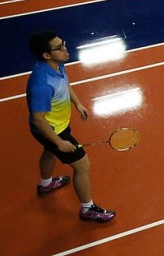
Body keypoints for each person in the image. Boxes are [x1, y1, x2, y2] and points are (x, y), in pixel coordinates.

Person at [26, 30, 116, 222]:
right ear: (46, 55)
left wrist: (77, 103)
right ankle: (87, 209)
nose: (66, 49)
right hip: (51, 130)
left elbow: (64, 84)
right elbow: (38, 120)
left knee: (49, 151)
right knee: (82, 165)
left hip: (59, 124)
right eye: (59, 48)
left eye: (64, 44)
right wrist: (59, 142)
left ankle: (46, 184)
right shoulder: (41, 84)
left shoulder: (56, 66)